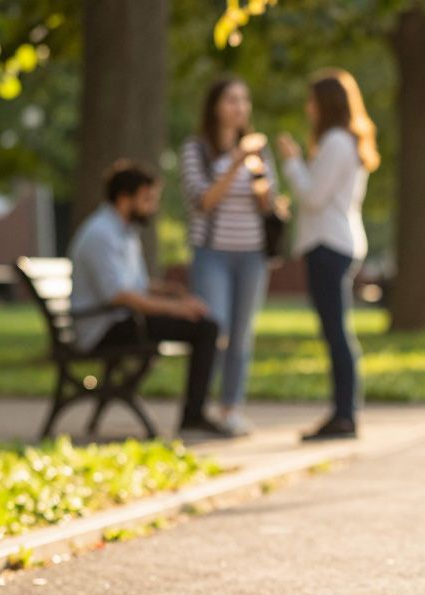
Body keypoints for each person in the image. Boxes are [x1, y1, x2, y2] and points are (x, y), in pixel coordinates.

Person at [69, 161, 227, 437]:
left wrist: (172, 292)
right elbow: (120, 295)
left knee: (204, 321)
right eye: (146, 199)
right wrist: (177, 309)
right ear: (124, 199)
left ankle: (195, 412)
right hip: (102, 328)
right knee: (205, 328)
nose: (151, 206)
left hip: (121, 319)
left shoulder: (125, 232)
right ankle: (193, 414)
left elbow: (137, 286)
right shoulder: (101, 234)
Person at [276, 69, 378, 442]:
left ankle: (344, 415)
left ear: (325, 104)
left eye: (312, 101)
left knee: (336, 333)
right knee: (337, 331)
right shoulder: (345, 141)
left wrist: (291, 161)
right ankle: (343, 413)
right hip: (338, 242)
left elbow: (313, 196)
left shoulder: (336, 141)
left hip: (329, 245)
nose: (308, 109)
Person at [181, 77, 278, 437]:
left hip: (252, 254)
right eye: (232, 100)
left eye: (244, 100)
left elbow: (270, 205)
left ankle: (231, 407)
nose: (240, 107)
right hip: (213, 254)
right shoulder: (198, 150)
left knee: (241, 334)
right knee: (214, 328)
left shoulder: (259, 152)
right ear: (215, 107)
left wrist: (262, 186)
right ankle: (201, 406)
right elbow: (201, 200)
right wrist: (235, 163)